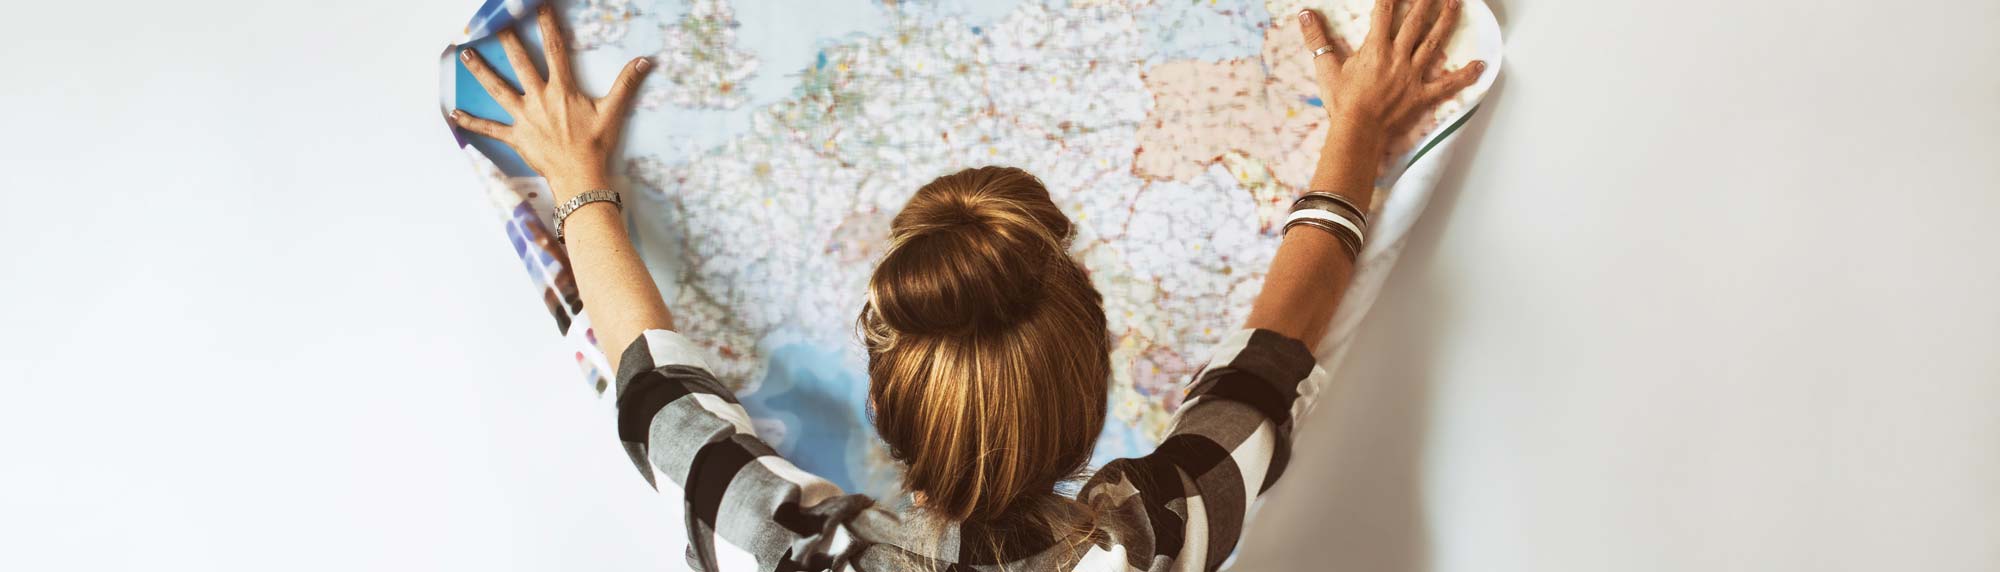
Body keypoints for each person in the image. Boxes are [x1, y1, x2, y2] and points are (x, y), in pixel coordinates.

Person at [450, 1, 1482, 570]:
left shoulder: (783, 548)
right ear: (1091, 395)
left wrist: (581, 184)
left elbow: (654, 396)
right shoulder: (1149, 541)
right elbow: (1268, 363)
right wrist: (1353, 130)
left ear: (886, 393)